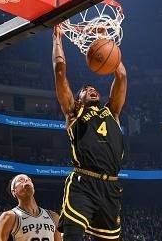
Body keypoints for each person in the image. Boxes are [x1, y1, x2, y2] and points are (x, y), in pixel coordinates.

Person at [52, 25, 127, 241]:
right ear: (78, 98)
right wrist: (57, 39)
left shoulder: (112, 112)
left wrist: (106, 40)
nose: (92, 89)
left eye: (94, 88)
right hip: (83, 183)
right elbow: (59, 71)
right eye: (86, 89)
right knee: (73, 235)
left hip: (111, 186)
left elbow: (121, 75)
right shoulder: (74, 113)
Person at [0, 174, 62, 241]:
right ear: (13, 191)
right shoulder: (9, 216)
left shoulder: (53, 216)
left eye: (28, 179)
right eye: (20, 180)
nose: (25, 180)